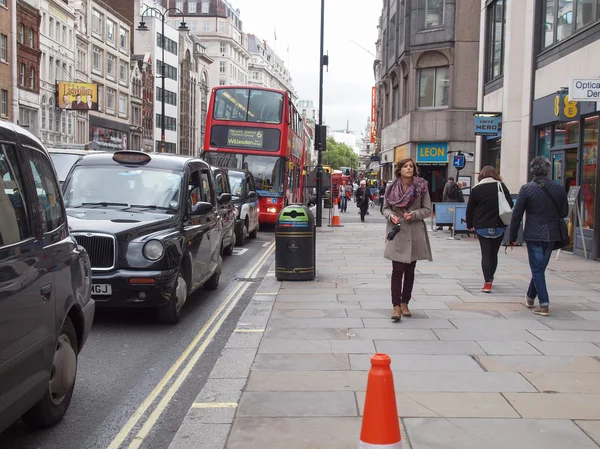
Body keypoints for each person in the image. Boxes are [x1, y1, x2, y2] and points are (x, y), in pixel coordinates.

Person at [508, 156, 568, 316]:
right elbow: (564, 212)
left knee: (537, 269)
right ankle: (529, 298)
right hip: (552, 234)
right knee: (539, 268)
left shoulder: (527, 188)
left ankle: (544, 304)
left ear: (532, 170)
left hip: (534, 233)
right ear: (548, 170)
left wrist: (513, 236)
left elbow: (517, 214)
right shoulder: (559, 188)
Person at [383, 158, 432, 321]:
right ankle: (395, 306)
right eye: (405, 166)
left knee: (410, 270)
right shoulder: (391, 187)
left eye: (411, 166)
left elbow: (427, 209)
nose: (409, 169)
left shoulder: (422, 186)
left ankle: (405, 303)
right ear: (399, 170)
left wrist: (414, 214)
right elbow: (385, 208)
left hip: (414, 232)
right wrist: (391, 216)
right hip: (397, 231)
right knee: (397, 270)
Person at [466, 166, 513, 293]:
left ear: (481, 175)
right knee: (494, 253)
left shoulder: (476, 189)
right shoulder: (501, 187)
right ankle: (491, 277)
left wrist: (469, 224)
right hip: (499, 225)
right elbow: (510, 204)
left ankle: (487, 283)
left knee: (485, 254)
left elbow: (470, 208)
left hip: (482, 225)